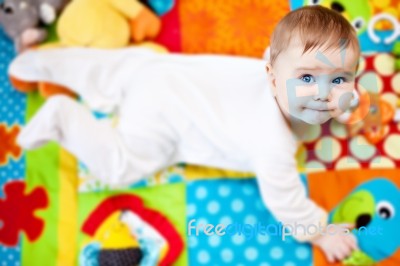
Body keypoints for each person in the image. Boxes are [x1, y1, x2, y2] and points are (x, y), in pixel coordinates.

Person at [8, 5, 360, 263]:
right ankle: (63, 118)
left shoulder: (278, 65)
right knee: (120, 166)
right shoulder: (273, 145)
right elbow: (287, 202)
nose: (322, 94)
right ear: (271, 72)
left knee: (104, 68)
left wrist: (346, 101)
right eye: (308, 79)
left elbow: (325, 83)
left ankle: (41, 62)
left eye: (340, 79)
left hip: (158, 72)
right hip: (161, 121)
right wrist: (319, 231)